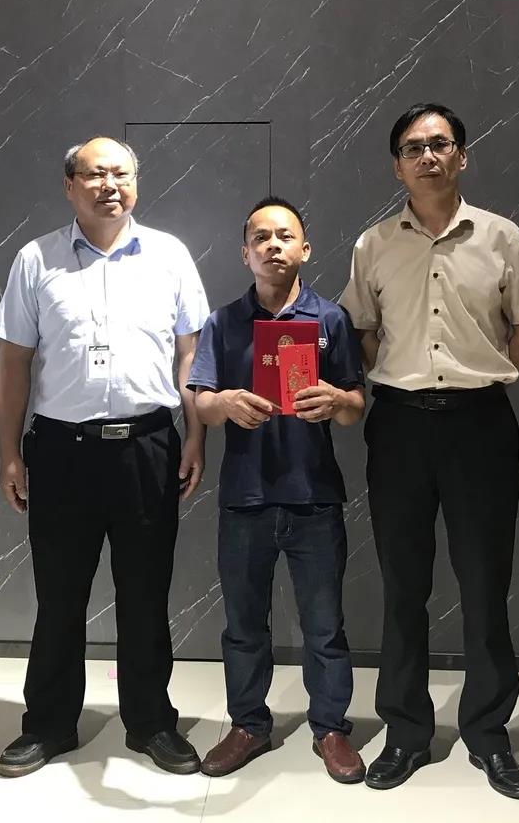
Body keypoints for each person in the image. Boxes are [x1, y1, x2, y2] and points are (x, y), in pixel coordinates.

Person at [340, 103, 519, 798]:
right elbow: (362, 329)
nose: (426, 156)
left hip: (479, 426)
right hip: (399, 426)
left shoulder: (502, 237)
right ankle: (406, 732)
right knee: (404, 585)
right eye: (412, 148)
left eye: (439, 144)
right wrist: (395, 372)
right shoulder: (373, 244)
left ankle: (488, 734)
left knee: (485, 583)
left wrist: (491, 374)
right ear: (396, 165)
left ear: (462, 155)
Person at [0, 136, 209, 778]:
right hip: (63, 451)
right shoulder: (36, 259)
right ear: (70, 185)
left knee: (146, 592)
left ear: (136, 182)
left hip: (148, 446)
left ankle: (151, 721)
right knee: (59, 595)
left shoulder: (168, 255)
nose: (110, 185)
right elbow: (13, 363)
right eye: (95, 174)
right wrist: (9, 452)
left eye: (122, 173)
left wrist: (196, 435)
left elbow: (190, 355)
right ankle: (49, 723)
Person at [188, 197, 367, 783]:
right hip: (245, 497)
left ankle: (331, 728)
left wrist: (337, 400)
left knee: (324, 625)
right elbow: (200, 402)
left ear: (304, 249)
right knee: (244, 625)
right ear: (245, 253)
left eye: (284, 236)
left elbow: (355, 406)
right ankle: (248, 725)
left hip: (314, 496)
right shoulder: (223, 323)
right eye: (261, 237)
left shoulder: (330, 319)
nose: (273, 245)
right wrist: (223, 403)